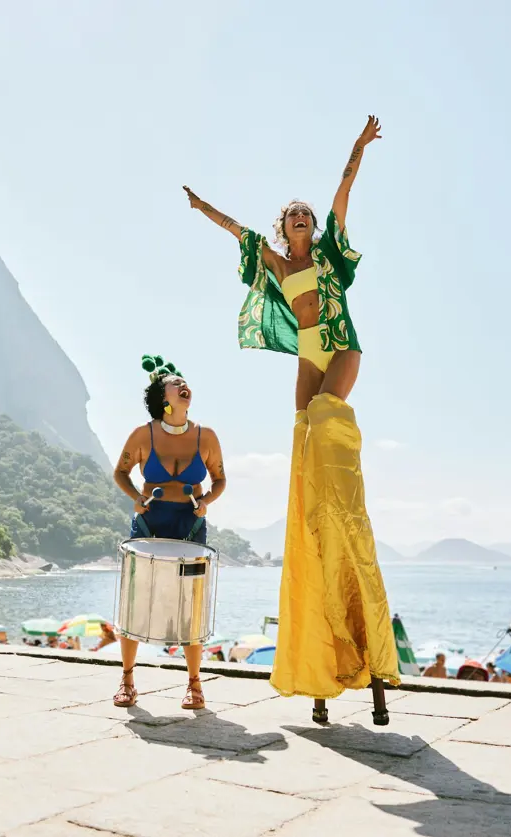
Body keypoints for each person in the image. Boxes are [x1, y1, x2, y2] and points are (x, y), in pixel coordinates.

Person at [185, 116, 399, 726]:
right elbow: (236, 232)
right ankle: (319, 647)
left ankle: (343, 514)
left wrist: (355, 153)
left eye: (307, 213)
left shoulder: (331, 254)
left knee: (329, 416)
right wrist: (202, 206)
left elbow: (341, 198)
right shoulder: (277, 265)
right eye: (295, 215)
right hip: (308, 356)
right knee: (304, 444)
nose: (304, 217)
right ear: (285, 228)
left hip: (342, 347)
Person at [112, 356, 227, 710]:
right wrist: (136, 499)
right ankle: (128, 681)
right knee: (135, 601)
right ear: (163, 397)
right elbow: (121, 472)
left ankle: (195, 685)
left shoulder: (206, 436)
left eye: (184, 381)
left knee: (191, 605)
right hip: (150, 522)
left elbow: (220, 479)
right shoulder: (142, 434)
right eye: (174, 383)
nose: (182, 385)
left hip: (190, 524)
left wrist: (206, 501)